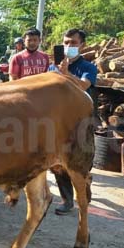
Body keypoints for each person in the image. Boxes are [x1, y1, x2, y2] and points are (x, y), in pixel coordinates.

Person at [48, 28, 98, 215]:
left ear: (82, 45)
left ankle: (85, 182)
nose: (69, 46)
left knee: (80, 161)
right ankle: (67, 200)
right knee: (58, 163)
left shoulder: (88, 68)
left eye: (74, 43)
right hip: (58, 122)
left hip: (82, 122)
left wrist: (66, 74)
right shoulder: (53, 68)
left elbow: (84, 85)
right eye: (66, 42)